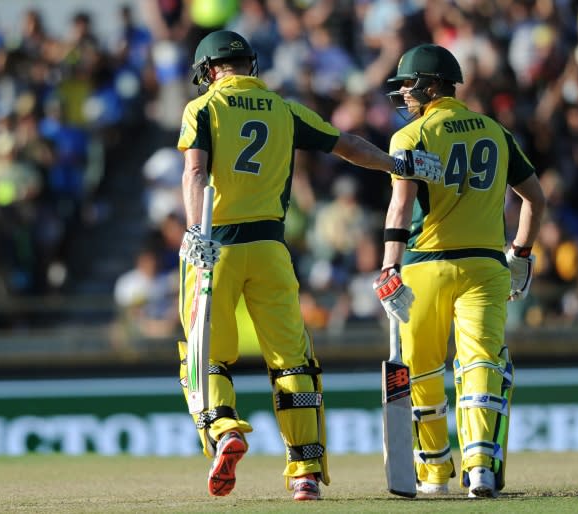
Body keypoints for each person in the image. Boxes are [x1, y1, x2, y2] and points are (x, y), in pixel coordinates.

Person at [175, 30, 442, 501]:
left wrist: (197, 230)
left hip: (215, 245)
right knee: (292, 362)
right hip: (270, 249)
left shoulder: (203, 109)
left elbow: (196, 172)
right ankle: (305, 473)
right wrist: (395, 165)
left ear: (209, 70)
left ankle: (225, 430)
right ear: (248, 65)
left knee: (205, 355)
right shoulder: (285, 109)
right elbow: (347, 145)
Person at [373, 43, 546, 498]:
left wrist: (389, 263)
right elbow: (536, 199)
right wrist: (522, 255)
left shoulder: (411, 136)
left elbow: (400, 204)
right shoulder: (495, 131)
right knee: (480, 364)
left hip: (424, 266)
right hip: (485, 268)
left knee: (424, 372)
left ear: (430, 86)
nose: (404, 95)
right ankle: (481, 468)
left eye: (409, 86)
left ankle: (433, 474)